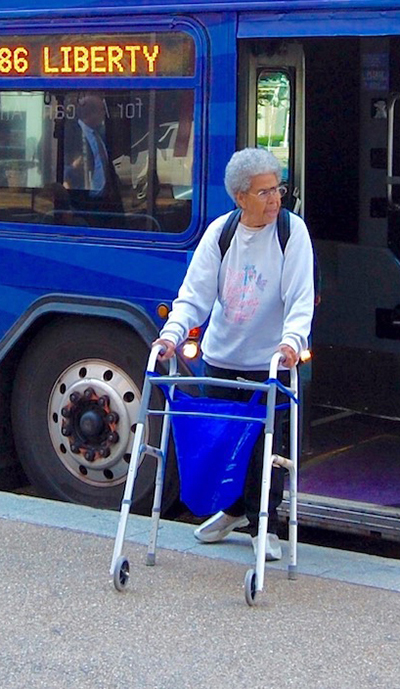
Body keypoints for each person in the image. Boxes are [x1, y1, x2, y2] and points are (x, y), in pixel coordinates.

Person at [153, 147, 314, 560]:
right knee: (224, 442)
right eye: (263, 193)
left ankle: (265, 525)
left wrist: (291, 343)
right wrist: (171, 334)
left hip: (270, 362)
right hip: (224, 355)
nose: (275, 199)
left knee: (266, 447)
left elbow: (300, 299)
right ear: (240, 198)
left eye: (277, 188)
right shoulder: (220, 233)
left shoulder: (292, 232)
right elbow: (193, 297)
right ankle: (231, 511)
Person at [63, 93, 125, 227]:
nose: (104, 114)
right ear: (91, 113)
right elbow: (64, 170)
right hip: (80, 203)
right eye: (102, 110)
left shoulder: (99, 134)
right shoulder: (70, 133)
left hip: (103, 202)